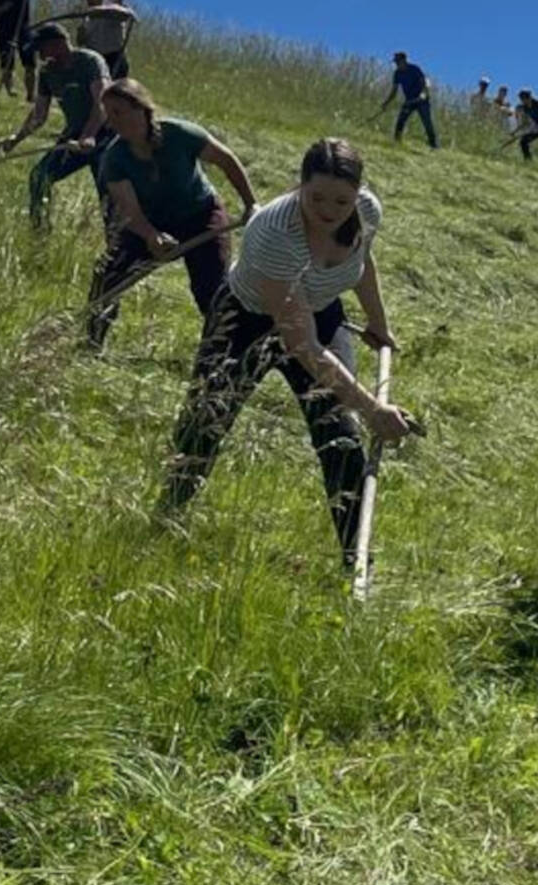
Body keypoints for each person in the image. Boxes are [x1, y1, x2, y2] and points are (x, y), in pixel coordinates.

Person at [161, 138, 414, 569]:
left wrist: (379, 323)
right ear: (299, 186)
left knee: (341, 438)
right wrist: (374, 408)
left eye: (341, 200)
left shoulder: (366, 211)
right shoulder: (275, 232)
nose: (330, 210)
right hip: (245, 321)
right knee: (206, 421)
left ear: (358, 194)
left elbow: (362, 264)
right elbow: (304, 346)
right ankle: (167, 513)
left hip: (318, 311)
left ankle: (356, 563)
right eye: (317, 197)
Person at [87, 79, 259, 349]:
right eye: (108, 114)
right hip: (151, 222)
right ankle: (93, 342)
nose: (112, 121)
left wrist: (251, 204)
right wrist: (151, 236)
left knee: (211, 290)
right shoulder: (114, 159)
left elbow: (226, 160)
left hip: (200, 216)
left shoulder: (180, 134)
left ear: (141, 108)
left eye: (118, 112)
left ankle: (224, 355)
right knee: (109, 276)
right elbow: (129, 211)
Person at [0, 24, 111, 228]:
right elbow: (39, 114)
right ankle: (39, 236)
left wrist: (89, 135)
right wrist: (14, 140)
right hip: (73, 137)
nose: (40, 55)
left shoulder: (90, 61)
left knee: (110, 196)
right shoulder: (47, 72)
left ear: (58, 44)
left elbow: (103, 102)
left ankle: (119, 250)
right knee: (39, 177)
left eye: (41, 48)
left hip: (106, 135)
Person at [76, 0, 137, 79]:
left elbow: (126, 15)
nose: (90, 1)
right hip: (96, 59)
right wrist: (80, 33)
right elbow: (81, 42)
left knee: (117, 89)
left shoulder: (113, 12)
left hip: (115, 57)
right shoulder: (87, 20)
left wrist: (102, 10)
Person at [381, 52, 437, 149]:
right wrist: (386, 103)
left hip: (421, 100)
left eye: (398, 62)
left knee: (427, 122)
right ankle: (397, 142)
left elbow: (425, 83)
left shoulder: (415, 69)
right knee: (401, 120)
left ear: (404, 61)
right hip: (409, 101)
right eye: (396, 62)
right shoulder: (397, 74)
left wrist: (423, 94)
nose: (397, 64)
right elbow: (394, 91)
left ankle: (433, 145)